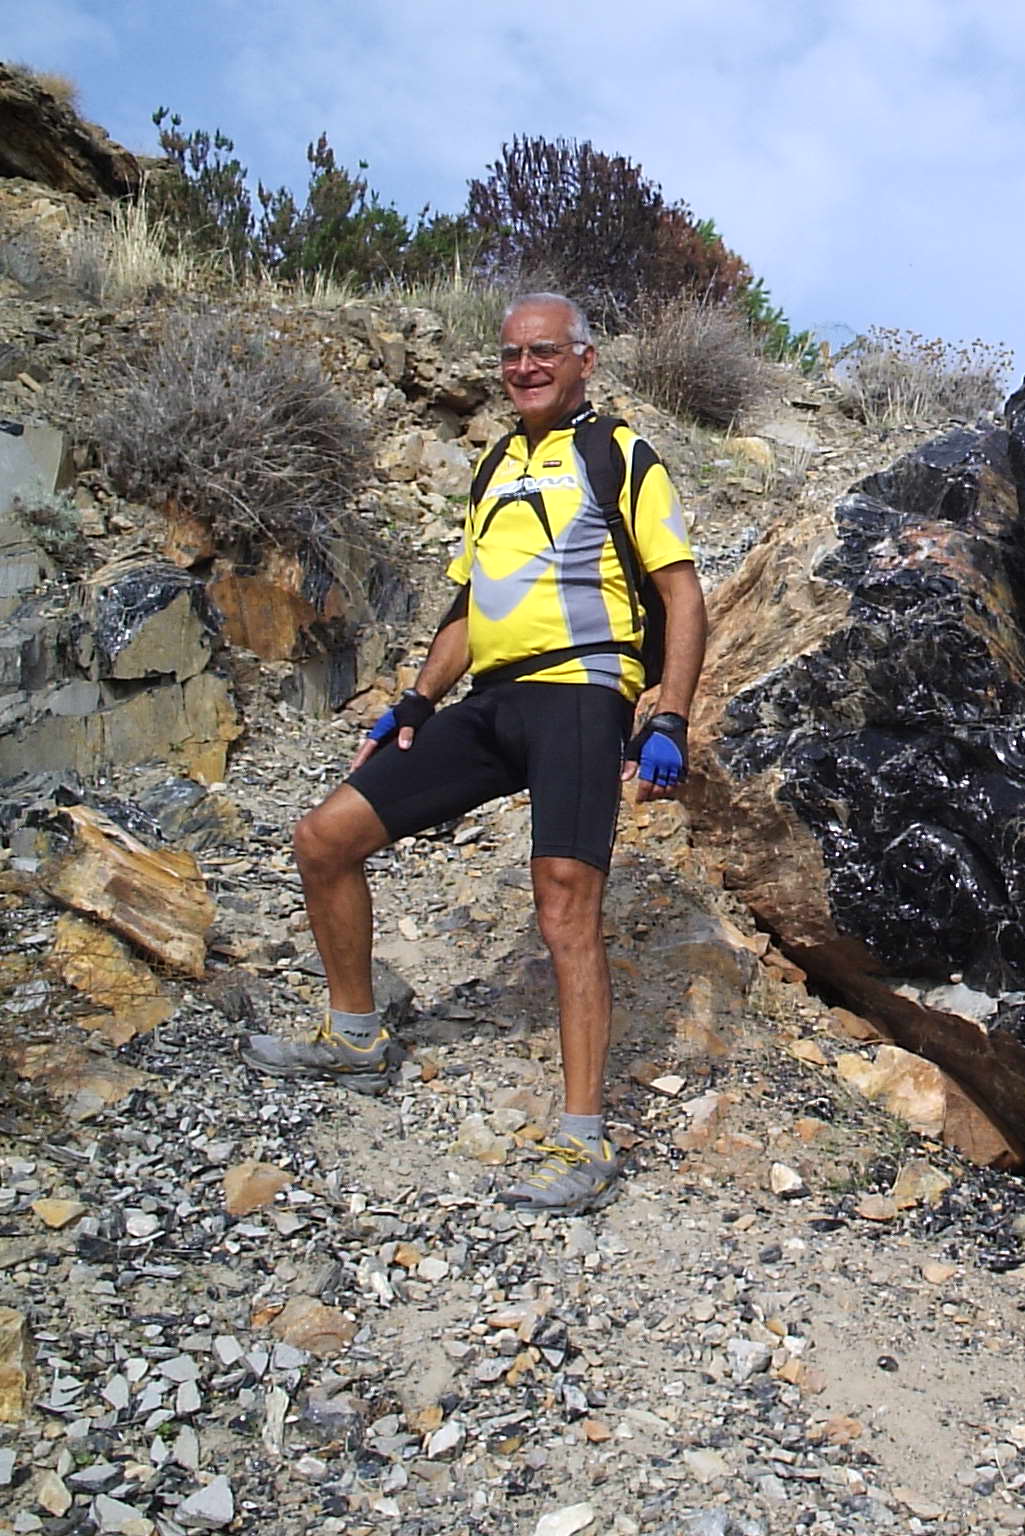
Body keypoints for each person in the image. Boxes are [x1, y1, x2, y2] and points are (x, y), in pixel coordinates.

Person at [241, 292, 708, 1216]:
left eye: (544, 352)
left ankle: (583, 1139)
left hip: (582, 694)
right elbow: (468, 605)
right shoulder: (494, 464)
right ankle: (356, 1035)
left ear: (585, 358)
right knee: (325, 837)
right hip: (491, 702)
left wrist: (671, 715)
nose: (525, 367)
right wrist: (417, 698)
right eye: (510, 355)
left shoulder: (621, 456)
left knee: (565, 908)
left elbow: (684, 596)